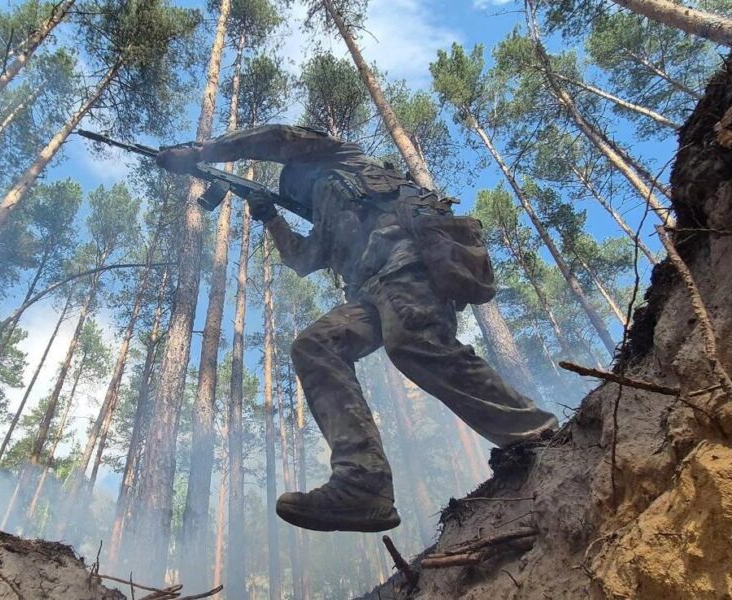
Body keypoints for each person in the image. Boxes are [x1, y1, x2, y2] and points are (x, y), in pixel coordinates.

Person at [157, 124, 558, 533]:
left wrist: (202, 153)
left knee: (415, 343)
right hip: (369, 291)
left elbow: (278, 138)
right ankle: (362, 482)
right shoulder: (327, 221)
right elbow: (302, 259)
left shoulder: (341, 156)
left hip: (406, 262)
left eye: (298, 187)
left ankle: (534, 432)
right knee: (316, 345)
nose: (302, 195)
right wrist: (271, 217)